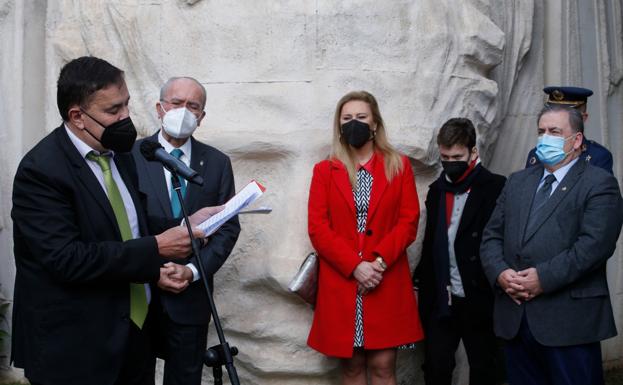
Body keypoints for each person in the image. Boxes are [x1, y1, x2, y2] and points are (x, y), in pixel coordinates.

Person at [11, 56, 220, 385]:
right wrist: (157, 247)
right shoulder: (41, 171)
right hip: (76, 348)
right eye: (113, 110)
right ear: (77, 116)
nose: (126, 117)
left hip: (133, 335)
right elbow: (68, 259)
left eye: (126, 105)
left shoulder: (120, 155)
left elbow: (127, 224)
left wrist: (183, 225)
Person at [481, 104, 623, 385]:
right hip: (516, 320)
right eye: (541, 131)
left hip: (569, 324)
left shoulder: (599, 183)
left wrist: (542, 278)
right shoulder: (518, 181)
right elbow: (491, 236)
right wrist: (500, 273)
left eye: (554, 132)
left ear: (577, 140)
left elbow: (594, 246)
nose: (545, 138)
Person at [307, 90, 424, 385]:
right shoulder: (325, 170)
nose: (353, 123)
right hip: (342, 280)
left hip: (385, 278)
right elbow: (318, 228)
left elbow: (408, 222)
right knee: (351, 367)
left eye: (361, 117)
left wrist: (377, 264)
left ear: (374, 124)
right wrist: (355, 266)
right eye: (346, 118)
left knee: (384, 367)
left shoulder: (399, 166)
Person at [132, 77, 240, 385]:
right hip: (141, 292)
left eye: (193, 106)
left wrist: (192, 271)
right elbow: (125, 224)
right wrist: (154, 269)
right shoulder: (131, 156)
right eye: (176, 103)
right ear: (160, 108)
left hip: (191, 298)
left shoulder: (217, 162)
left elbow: (227, 228)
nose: (184, 111)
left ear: (202, 116)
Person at [413, 118, 505, 385]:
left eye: (457, 156)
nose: (450, 162)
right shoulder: (436, 191)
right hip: (443, 297)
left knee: (484, 368)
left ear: (473, 153)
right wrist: (420, 283)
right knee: (436, 367)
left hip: (480, 295)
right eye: (445, 157)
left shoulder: (496, 187)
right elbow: (431, 242)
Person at [525, 86, 613, 174]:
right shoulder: (536, 154)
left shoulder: (597, 156)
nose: (555, 119)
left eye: (565, 115)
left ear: (583, 118)